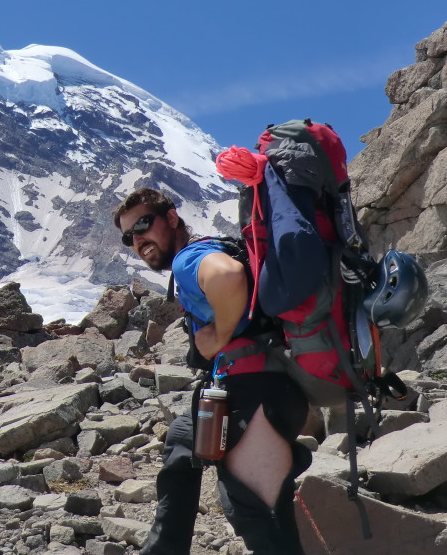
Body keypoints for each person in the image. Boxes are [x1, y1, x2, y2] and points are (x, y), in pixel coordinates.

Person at [114, 188, 311, 555]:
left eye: (143, 225)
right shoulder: (210, 247)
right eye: (129, 237)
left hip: (253, 395)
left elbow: (228, 276)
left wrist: (219, 333)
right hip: (263, 388)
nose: (138, 239)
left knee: (260, 518)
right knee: (183, 437)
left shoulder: (190, 258)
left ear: (171, 218)